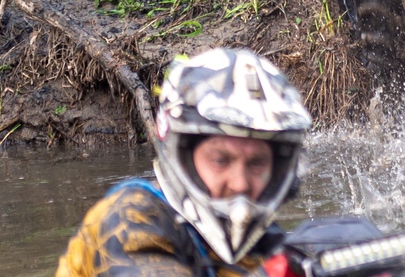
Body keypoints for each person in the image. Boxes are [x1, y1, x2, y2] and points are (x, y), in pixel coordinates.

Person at [54, 48, 312, 277]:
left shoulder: (264, 242)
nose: (240, 183)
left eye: (256, 163)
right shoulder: (128, 217)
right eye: (220, 160)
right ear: (183, 155)